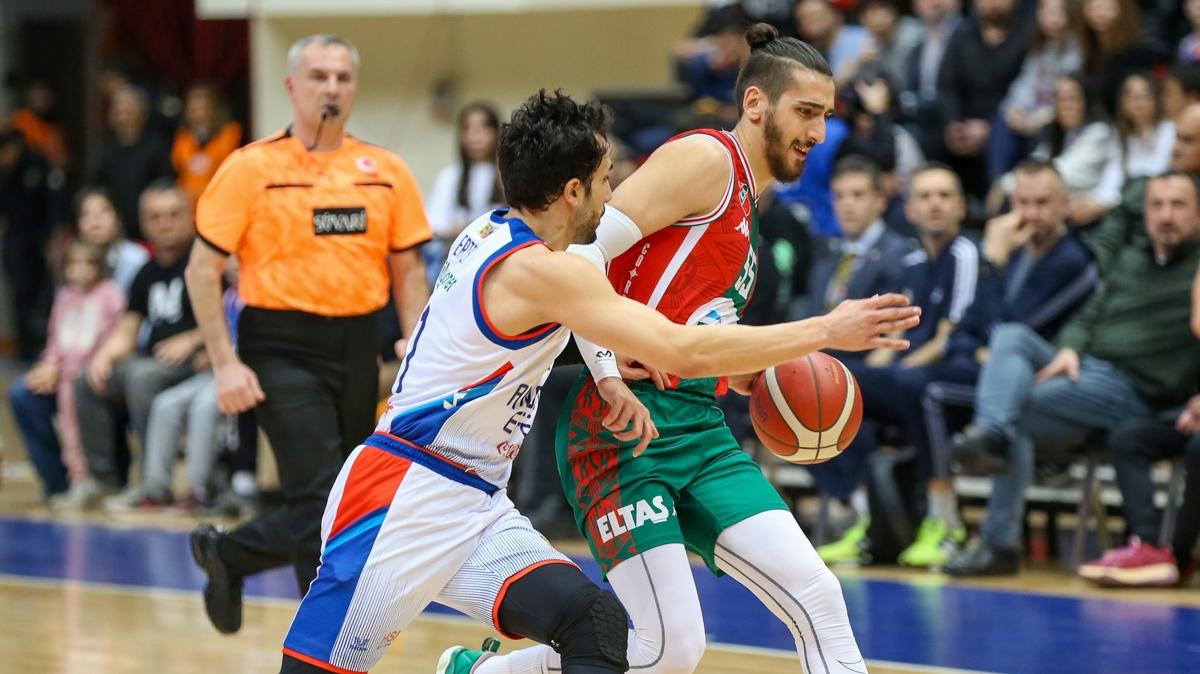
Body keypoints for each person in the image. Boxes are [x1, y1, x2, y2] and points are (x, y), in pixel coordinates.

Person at [281, 86, 915, 674]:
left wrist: (606, 369)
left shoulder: (497, 233)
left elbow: (526, 332)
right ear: (574, 192)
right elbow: (680, 349)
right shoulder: (545, 272)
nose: (617, 197)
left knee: (602, 628)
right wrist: (825, 331)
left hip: (476, 505)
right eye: (609, 181)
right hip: (403, 495)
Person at [469, 24, 902, 674]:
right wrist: (610, 366)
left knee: (817, 595)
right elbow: (578, 255)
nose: (816, 132)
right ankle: (478, 671)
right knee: (669, 652)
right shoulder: (706, 160)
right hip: (622, 432)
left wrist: (757, 375)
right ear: (756, 104)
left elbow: (693, 318)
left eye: (825, 116)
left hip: (699, 425)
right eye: (805, 112)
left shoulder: (749, 210)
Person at [184, 33, 432, 634]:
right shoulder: (251, 168)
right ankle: (324, 642)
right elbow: (201, 269)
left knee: (343, 498)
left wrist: (415, 350)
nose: (332, 88)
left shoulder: (386, 171)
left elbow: (408, 272)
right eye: (319, 76)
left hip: (357, 346)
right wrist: (224, 364)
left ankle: (230, 553)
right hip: (278, 347)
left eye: (343, 77)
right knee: (321, 493)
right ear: (293, 87)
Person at [948, 171, 1200, 576]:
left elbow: (1128, 196)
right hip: (1087, 370)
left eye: (1179, 205)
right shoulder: (1133, 258)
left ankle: (997, 532)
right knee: (1012, 339)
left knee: (1015, 409)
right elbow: (1090, 313)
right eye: (1157, 205)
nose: (1166, 215)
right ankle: (998, 522)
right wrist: (1070, 347)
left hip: (1136, 390)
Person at [59, 182, 203, 511]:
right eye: (155, 217)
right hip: (153, 359)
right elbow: (129, 326)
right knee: (86, 380)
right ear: (143, 222)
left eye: (173, 215)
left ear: (191, 217)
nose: (164, 223)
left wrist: (194, 338)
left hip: (194, 360)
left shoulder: (204, 263)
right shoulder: (145, 271)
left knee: (140, 377)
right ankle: (103, 478)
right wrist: (104, 357)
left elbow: (228, 314)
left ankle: (154, 481)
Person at [8, 240, 125, 499]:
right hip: (62, 373)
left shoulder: (110, 294)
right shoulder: (64, 296)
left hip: (90, 373)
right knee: (23, 393)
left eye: (88, 263)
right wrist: (49, 366)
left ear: (99, 267)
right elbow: (55, 342)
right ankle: (59, 482)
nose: (80, 270)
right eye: (74, 264)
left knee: (74, 419)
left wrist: (83, 369)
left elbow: (115, 338)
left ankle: (85, 477)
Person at [423, 102, 505, 284]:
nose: (475, 136)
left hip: (498, 263)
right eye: (468, 128)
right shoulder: (450, 176)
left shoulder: (505, 177)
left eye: (483, 127)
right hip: (457, 265)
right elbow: (432, 224)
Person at [171, 84, 243, 205]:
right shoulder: (183, 138)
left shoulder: (230, 133)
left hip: (220, 201)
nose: (199, 115)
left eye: (203, 109)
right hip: (189, 205)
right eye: (194, 110)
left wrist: (209, 139)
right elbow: (178, 163)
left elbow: (228, 160)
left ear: (214, 109)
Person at [74, 187, 149, 293]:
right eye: (86, 214)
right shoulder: (71, 261)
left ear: (118, 219)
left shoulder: (136, 258)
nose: (95, 221)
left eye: (103, 212)